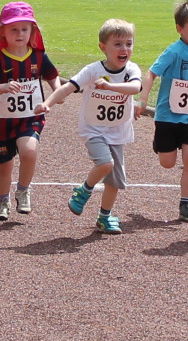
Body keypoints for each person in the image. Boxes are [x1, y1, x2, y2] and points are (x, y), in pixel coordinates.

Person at [38, 20, 141, 234]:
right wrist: (48, 103)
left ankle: (105, 216)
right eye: (118, 44)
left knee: (114, 181)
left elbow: (135, 87)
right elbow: (68, 87)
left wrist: (110, 86)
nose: (125, 49)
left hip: (118, 132)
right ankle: (83, 191)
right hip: (93, 130)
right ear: (103, 47)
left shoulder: (131, 69)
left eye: (129, 44)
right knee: (105, 163)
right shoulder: (92, 70)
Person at [135, 0, 188, 223]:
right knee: (167, 162)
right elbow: (151, 73)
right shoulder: (173, 51)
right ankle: (163, 143)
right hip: (169, 116)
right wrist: (142, 101)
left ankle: (186, 204)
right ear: (180, 29)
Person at [0, 1, 60, 221]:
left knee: (29, 152)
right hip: (3, 122)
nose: (19, 34)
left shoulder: (38, 56)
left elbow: (51, 75)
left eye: (24, 29)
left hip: (31, 117)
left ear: (32, 31)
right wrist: (4, 87)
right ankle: (2, 201)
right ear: (2, 33)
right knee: (4, 165)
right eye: (13, 29)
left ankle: (23, 190)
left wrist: (57, 92)